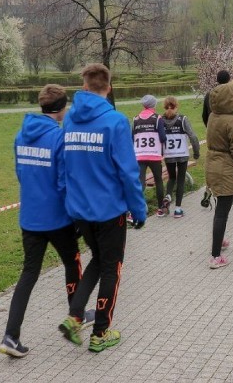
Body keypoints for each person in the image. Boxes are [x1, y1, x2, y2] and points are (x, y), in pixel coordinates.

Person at [58, 64, 148, 353]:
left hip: (80, 210)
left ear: (84, 87)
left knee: (97, 260)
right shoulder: (116, 122)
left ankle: (74, 317)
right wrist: (139, 210)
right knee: (112, 268)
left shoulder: (70, 120)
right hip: (109, 212)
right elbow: (128, 172)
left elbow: (64, 164)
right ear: (108, 88)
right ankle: (100, 332)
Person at [0, 84, 88, 358]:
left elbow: (20, 173)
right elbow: (64, 183)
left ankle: (10, 336)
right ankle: (76, 314)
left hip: (30, 219)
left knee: (28, 274)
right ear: (62, 109)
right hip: (57, 219)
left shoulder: (20, 136)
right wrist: (75, 214)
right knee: (72, 263)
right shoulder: (59, 139)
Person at [205, 77, 233, 268]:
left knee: (220, 208)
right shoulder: (231, 120)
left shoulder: (213, 116)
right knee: (223, 212)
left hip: (212, 163)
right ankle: (215, 256)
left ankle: (219, 240)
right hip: (225, 166)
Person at [162, 96, 200, 219]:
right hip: (182, 154)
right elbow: (193, 137)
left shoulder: (161, 120)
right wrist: (196, 152)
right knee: (181, 179)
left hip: (169, 155)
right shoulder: (182, 119)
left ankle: (168, 195)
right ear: (176, 106)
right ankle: (178, 209)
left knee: (172, 177)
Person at [133, 95, 168, 216]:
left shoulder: (136, 118)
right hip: (154, 155)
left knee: (140, 182)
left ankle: (134, 210)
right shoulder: (157, 118)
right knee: (158, 180)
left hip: (139, 155)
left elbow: (133, 137)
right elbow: (163, 137)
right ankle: (160, 209)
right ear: (154, 105)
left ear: (143, 105)